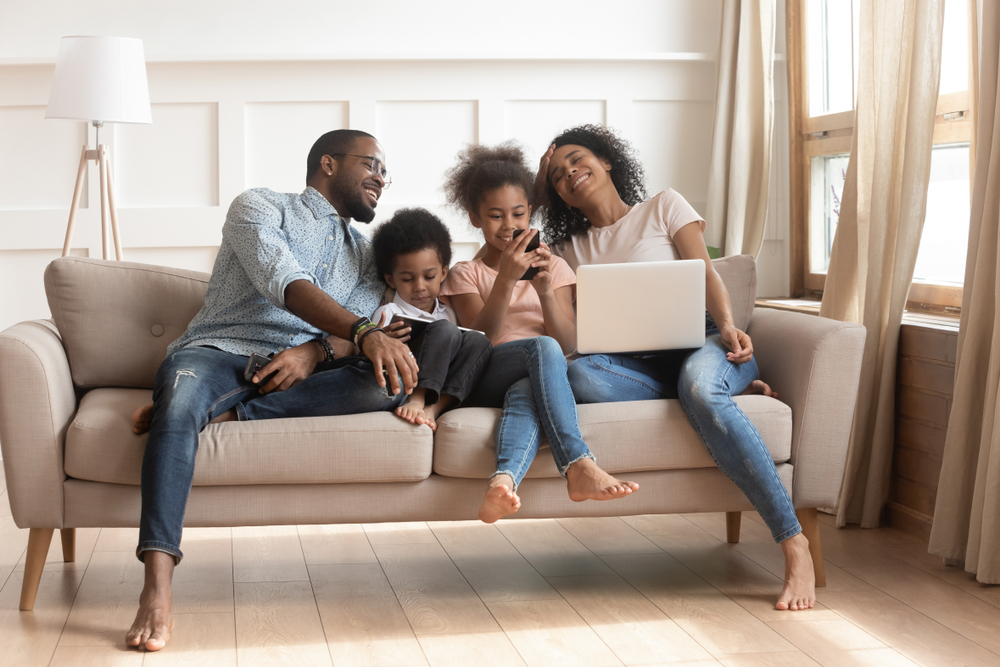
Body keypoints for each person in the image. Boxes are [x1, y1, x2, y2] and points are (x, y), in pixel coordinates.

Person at [125, 129, 420, 651]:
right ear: (328, 163)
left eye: (384, 172)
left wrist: (316, 353)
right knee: (181, 408)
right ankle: (157, 586)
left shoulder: (368, 256)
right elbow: (283, 281)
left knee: (390, 385)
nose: (380, 179)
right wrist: (361, 333)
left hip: (300, 369)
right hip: (218, 351)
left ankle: (223, 413)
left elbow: (342, 334)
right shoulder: (259, 206)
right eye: (370, 164)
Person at [538, 124, 815, 611]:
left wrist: (729, 326)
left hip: (701, 340)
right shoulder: (567, 249)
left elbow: (705, 272)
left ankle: (794, 544)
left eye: (578, 160)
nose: (570, 174)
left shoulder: (664, 205)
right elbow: (507, 264)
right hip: (632, 363)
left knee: (702, 388)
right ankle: (714, 392)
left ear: (606, 160)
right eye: (558, 175)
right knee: (578, 373)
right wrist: (536, 185)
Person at [440, 142, 638, 524]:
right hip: (485, 374)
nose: (509, 225)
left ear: (530, 212)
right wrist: (507, 282)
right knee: (541, 349)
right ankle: (578, 463)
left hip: (538, 375)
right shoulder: (466, 273)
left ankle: (502, 482)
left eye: (518, 213)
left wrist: (545, 290)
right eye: (495, 216)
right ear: (475, 218)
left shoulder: (557, 267)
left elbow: (570, 345)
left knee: (529, 386)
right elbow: (477, 343)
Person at [370, 207, 493, 431]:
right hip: (408, 376)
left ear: (444, 273)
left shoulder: (449, 310)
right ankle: (416, 399)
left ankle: (434, 409)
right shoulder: (387, 311)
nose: (419, 287)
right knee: (445, 330)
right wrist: (382, 338)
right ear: (391, 279)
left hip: (443, 380)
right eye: (407, 279)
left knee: (479, 340)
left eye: (429, 277)